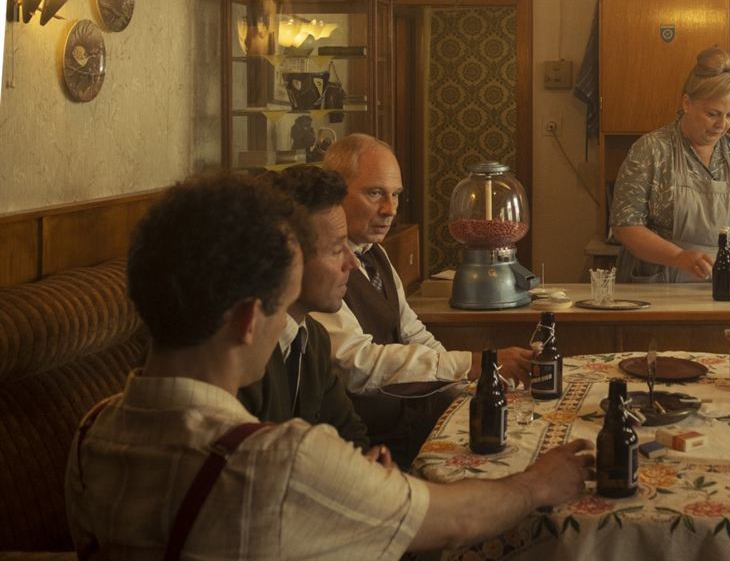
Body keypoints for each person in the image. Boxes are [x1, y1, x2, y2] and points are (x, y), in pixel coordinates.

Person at [66, 173, 593, 558]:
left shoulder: (91, 433)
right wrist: (540, 484)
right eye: (283, 302)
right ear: (250, 319)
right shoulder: (276, 459)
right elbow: (455, 524)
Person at [315, 133, 533, 468]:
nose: (389, 210)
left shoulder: (378, 256)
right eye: (375, 194)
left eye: (396, 195)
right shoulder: (321, 272)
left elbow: (415, 334)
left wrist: (470, 383)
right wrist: (471, 363)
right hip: (363, 451)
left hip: (407, 429)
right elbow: (357, 366)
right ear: (334, 190)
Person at [610, 47, 730, 283]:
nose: (722, 125)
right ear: (687, 103)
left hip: (726, 283)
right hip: (661, 283)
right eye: (713, 114)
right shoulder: (651, 150)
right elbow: (625, 226)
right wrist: (678, 257)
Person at [238, 166, 372, 452]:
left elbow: (353, 438)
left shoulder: (313, 339)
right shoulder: (243, 349)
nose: (353, 263)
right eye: (337, 249)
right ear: (290, 255)